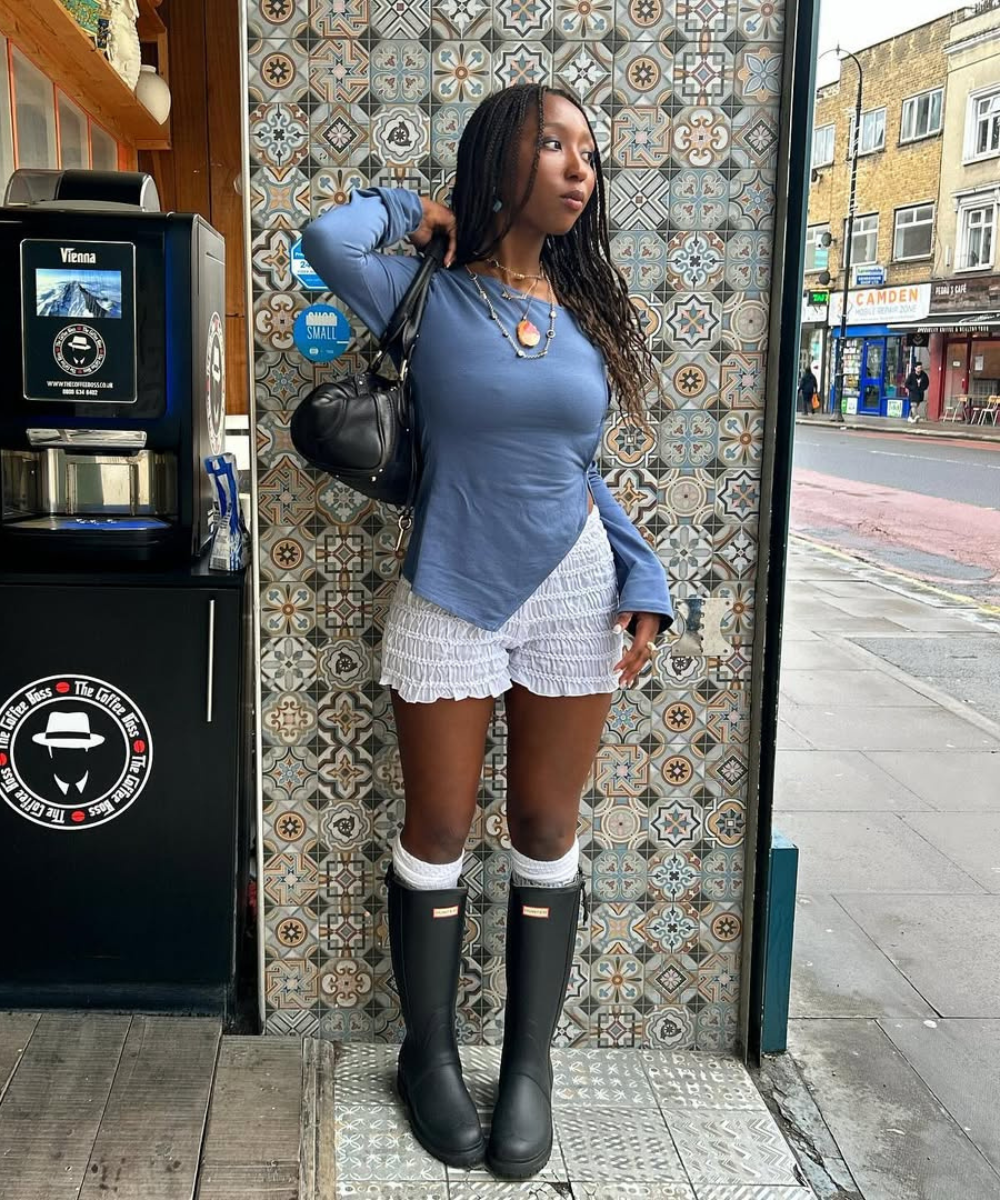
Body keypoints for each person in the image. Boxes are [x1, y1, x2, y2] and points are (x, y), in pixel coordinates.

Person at [301, 84, 673, 1181]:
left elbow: (576, 472)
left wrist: (641, 567)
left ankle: (526, 1068)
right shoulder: (423, 290)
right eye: (551, 143)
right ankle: (428, 1057)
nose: (576, 168)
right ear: (497, 157)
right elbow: (326, 238)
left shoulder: (583, 318)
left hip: (575, 591)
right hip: (452, 587)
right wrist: (412, 208)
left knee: (548, 826)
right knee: (437, 826)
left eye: (588, 154)